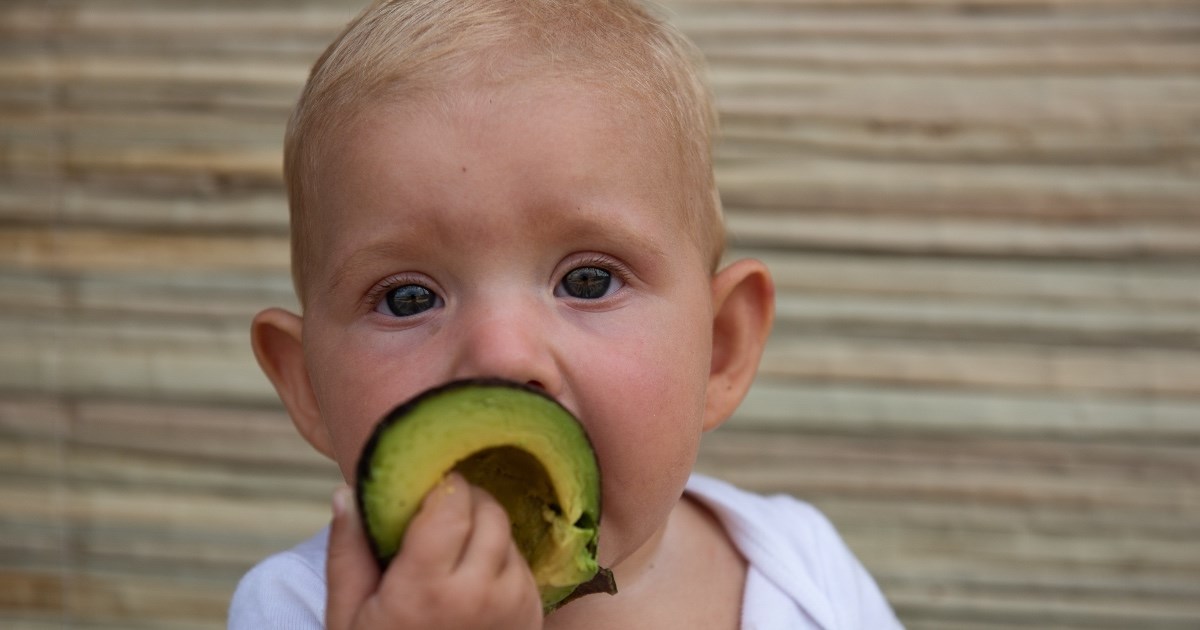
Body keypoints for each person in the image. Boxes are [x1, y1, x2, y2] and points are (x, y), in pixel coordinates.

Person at [229, 0, 902, 627]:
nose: (501, 354)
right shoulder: (299, 605)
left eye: (587, 280)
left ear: (720, 348)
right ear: (309, 386)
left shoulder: (802, 564)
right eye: (410, 298)